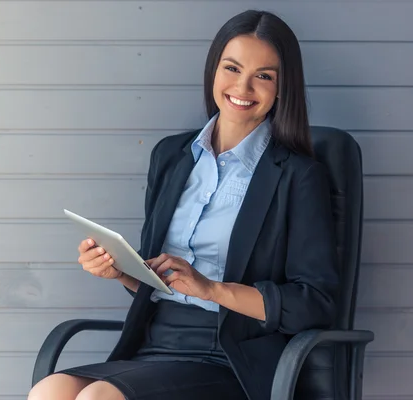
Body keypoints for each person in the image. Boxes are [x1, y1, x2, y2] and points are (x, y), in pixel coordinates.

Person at [29, 9, 339, 400]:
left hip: (230, 357)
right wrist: (121, 271)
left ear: (281, 88)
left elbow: (315, 303)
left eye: (264, 76)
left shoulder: (297, 175)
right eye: (232, 68)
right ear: (214, 70)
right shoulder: (171, 156)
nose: (242, 86)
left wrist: (211, 289)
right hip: (153, 343)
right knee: (50, 390)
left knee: (98, 398)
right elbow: (160, 279)